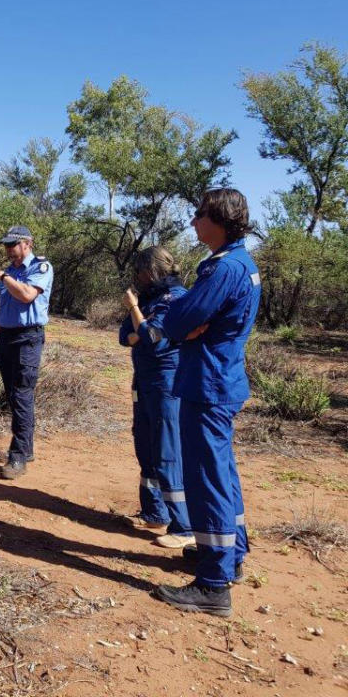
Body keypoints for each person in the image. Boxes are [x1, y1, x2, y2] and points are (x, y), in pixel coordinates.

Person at [152, 188, 260, 618]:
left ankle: (214, 583)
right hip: (221, 379)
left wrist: (187, 325)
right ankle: (231, 555)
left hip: (208, 382)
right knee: (222, 471)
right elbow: (188, 322)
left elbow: (178, 319)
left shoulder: (223, 269)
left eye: (199, 215)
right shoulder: (241, 263)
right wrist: (191, 325)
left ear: (218, 219)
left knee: (207, 476)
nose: (193, 222)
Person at [119, 247, 194, 549]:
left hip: (166, 382)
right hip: (144, 380)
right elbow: (126, 336)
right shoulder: (149, 300)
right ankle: (154, 511)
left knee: (166, 450)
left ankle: (184, 525)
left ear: (152, 271)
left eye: (139, 272)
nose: (136, 278)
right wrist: (141, 324)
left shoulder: (176, 298)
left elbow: (153, 341)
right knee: (145, 444)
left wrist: (136, 312)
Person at [0, 225, 53, 480]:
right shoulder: (12, 270)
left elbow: (27, 295)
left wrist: (4, 278)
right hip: (5, 336)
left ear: (27, 243)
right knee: (13, 395)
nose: (8, 251)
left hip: (27, 338)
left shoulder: (40, 268)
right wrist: (5, 277)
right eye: (6, 246)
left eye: (12, 246)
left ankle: (18, 458)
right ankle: (25, 448)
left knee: (22, 394)